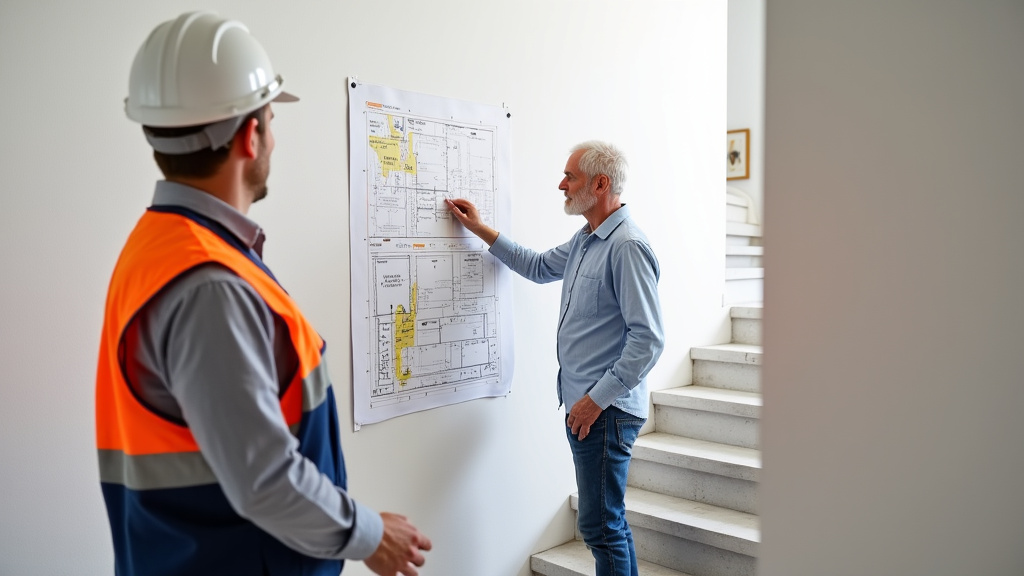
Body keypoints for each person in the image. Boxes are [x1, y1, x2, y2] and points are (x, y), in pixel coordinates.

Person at [95, 11, 431, 576]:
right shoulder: (210, 287)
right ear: (252, 136)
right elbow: (263, 479)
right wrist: (369, 534)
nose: (273, 134)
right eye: (272, 118)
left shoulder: (160, 245)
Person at [446, 141, 664, 576]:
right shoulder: (586, 239)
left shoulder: (627, 246)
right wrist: (480, 228)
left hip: (605, 412)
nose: (561, 184)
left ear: (600, 184)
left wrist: (595, 400)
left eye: (571, 177)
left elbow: (649, 340)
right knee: (605, 524)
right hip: (587, 407)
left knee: (602, 527)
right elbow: (539, 266)